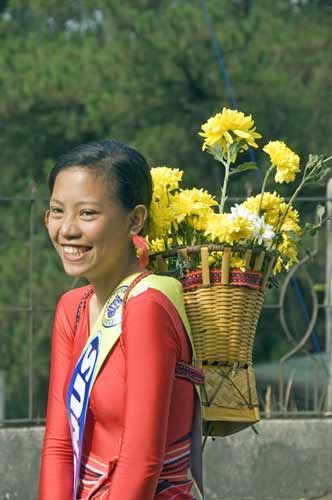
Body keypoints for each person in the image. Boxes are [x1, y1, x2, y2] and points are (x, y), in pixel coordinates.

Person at [38, 140, 204, 500]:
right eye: (56, 211)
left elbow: (141, 460)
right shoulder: (73, 307)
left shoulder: (148, 306)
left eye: (87, 214)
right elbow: (58, 446)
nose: (66, 230)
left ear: (135, 219)